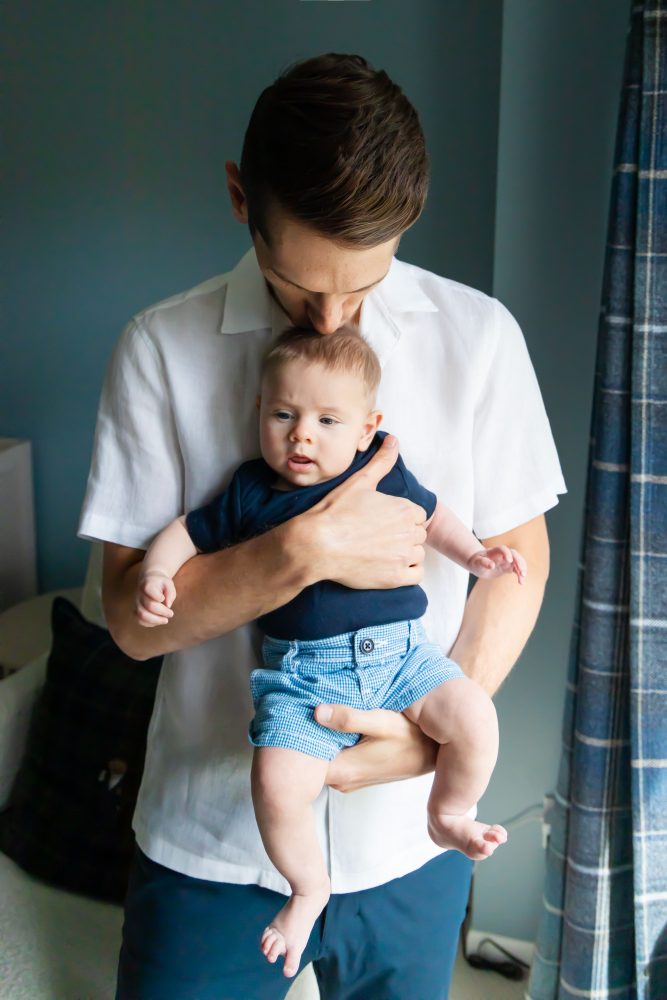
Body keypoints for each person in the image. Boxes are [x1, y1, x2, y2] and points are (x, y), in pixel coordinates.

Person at [79, 53, 565, 1000]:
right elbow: (132, 625)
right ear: (237, 198)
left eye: (363, 284)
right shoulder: (157, 349)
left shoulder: (482, 339)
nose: (338, 315)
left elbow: (521, 562)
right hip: (211, 845)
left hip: (409, 845)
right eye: (303, 288)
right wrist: (299, 551)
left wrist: (427, 732)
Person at [135, 326, 526, 978]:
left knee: (475, 717)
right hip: (302, 676)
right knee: (275, 781)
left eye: (325, 419)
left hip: (403, 656)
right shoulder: (251, 491)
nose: (300, 436)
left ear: (367, 427)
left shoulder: (382, 470)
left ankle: (448, 811)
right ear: (258, 410)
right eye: (281, 414)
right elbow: (185, 532)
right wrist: (156, 574)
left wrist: (475, 555)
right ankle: (305, 887)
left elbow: (434, 517)